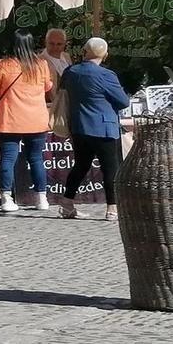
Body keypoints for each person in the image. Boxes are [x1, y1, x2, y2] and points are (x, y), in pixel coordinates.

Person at [57, 36, 132, 221]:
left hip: (80, 127)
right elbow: (123, 102)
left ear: (85, 51)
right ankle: (112, 209)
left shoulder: (70, 72)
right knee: (110, 169)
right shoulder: (106, 75)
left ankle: (67, 203)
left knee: (80, 166)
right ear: (105, 54)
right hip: (104, 127)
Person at [0, 32, 56, 213]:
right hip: (36, 119)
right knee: (36, 158)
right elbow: (48, 87)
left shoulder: (2, 65)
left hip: (10, 120)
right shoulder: (41, 65)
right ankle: (41, 198)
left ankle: (6, 198)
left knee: (8, 159)